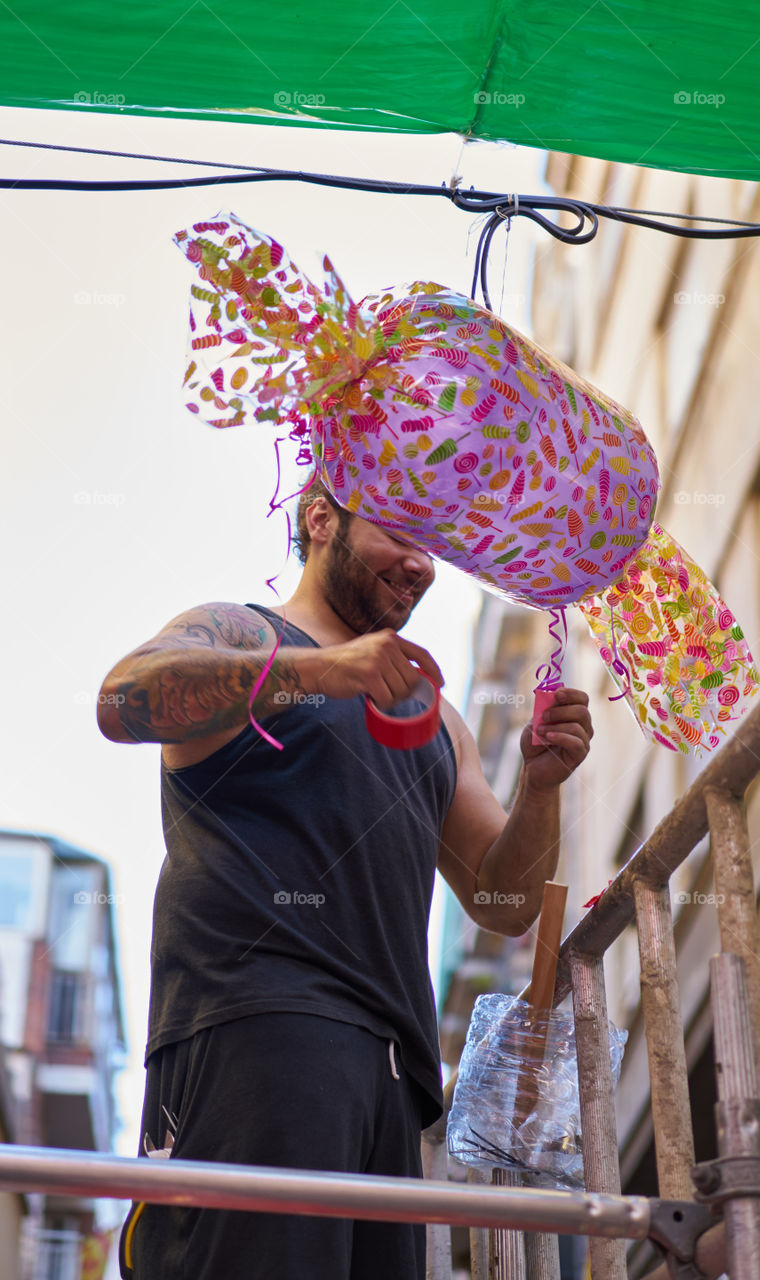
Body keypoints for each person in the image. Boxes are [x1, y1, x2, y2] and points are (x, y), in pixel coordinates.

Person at [98, 479, 593, 1280]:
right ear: (321, 518)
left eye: (433, 547)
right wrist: (326, 672)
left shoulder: (436, 716)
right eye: (401, 532)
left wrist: (540, 787)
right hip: (259, 1027)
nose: (420, 563)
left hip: (395, 1074)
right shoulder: (241, 630)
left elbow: (503, 905)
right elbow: (123, 700)